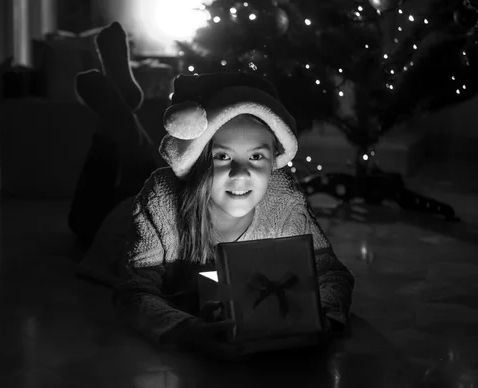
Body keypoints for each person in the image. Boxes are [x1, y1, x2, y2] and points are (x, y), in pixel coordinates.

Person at [111, 72, 355, 360]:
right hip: (114, 227)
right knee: (93, 206)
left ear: (274, 160)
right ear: (200, 158)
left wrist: (321, 316)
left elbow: (332, 274)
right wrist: (186, 330)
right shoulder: (161, 199)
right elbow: (134, 291)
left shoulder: (283, 199)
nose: (241, 174)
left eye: (256, 157)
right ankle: (116, 114)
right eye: (223, 156)